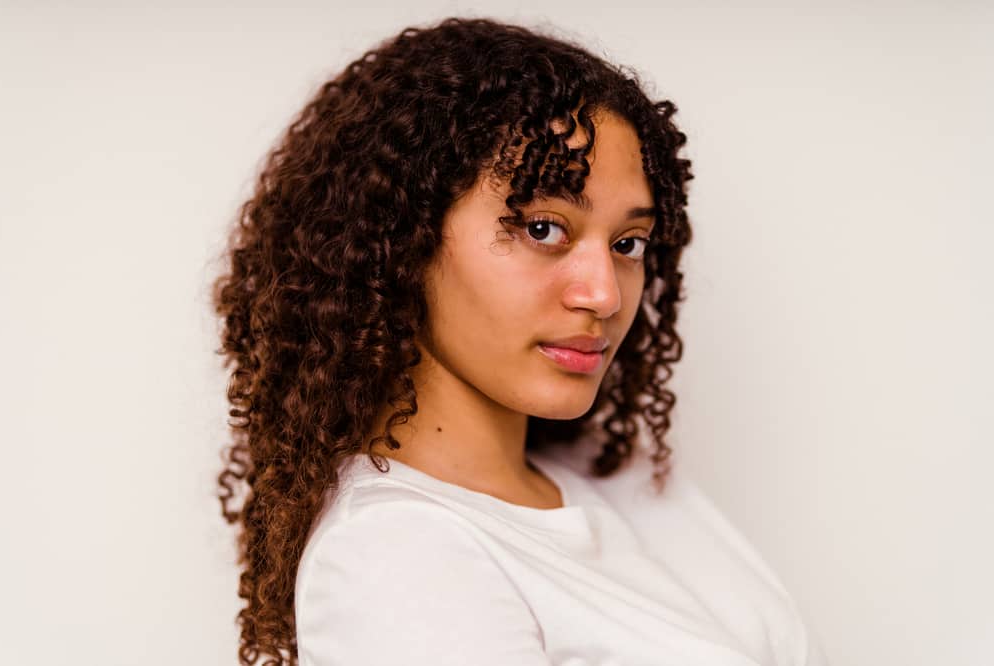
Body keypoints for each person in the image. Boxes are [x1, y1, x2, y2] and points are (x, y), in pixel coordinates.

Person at [211, 16, 828, 666]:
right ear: (401, 242)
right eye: (542, 228)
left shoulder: (624, 477)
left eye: (628, 244)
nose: (605, 295)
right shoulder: (397, 556)